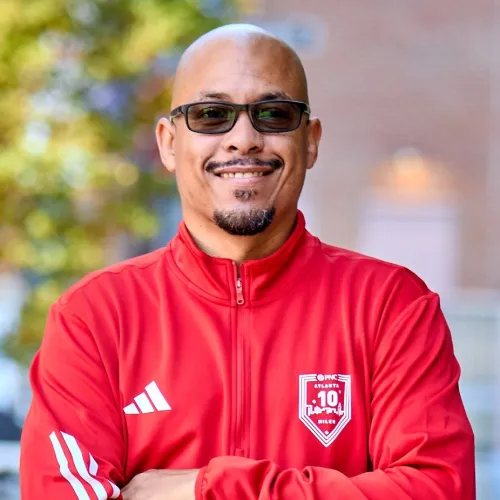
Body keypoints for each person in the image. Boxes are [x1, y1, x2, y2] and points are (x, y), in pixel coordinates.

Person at [20, 23, 475, 500]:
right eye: (212, 114)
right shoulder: (95, 316)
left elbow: (435, 488)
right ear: (169, 143)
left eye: (273, 114)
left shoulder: (390, 306)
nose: (243, 139)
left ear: (311, 141)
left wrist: (209, 487)